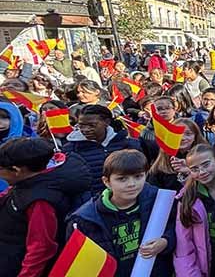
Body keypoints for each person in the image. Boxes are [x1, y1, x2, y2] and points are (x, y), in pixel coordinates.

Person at [67, 149, 176, 277]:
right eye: (122, 179)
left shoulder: (159, 201)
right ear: (106, 182)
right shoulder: (85, 219)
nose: (131, 184)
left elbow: (176, 229)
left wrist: (166, 241)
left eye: (138, 176)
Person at [0, 137, 89, 277]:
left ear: (17, 170)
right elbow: (13, 192)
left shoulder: (41, 202)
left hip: (17, 265)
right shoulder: (37, 177)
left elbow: (41, 248)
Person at [174, 144, 215, 276]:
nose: (202, 172)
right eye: (195, 169)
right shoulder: (186, 199)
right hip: (203, 263)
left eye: (206, 164)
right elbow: (184, 245)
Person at [62, 104, 143, 197]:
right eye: (81, 125)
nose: (85, 130)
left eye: (91, 125)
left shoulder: (128, 144)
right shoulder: (70, 149)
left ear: (106, 122)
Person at [147, 118, 208, 191]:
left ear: (195, 136)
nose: (182, 138)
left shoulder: (205, 157)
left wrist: (190, 172)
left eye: (188, 134)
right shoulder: (162, 162)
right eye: (177, 133)